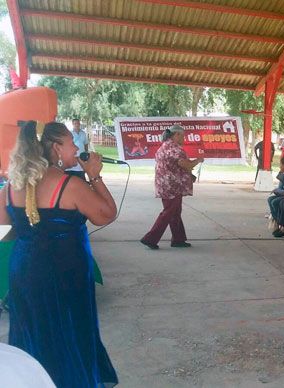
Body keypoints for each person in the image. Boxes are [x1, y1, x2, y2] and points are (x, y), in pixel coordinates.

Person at [0, 121, 118, 387]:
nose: (76, 147)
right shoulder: (69, 185)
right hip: (65, 270)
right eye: (71, 142)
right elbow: (107, 214)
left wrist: (32, 233)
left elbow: (5, 230)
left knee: (31, 327)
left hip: (24, 270)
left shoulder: (11, 187)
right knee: (70, 329)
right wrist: (94, 175)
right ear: (55, 148)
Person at [141, 125, 203, 249]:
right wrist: (198, 160)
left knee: (175, 212)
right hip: (172, 186)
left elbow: (173, 166)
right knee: (169, 212)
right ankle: (150, 239)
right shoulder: (175, 149)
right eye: (183, 136)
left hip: (165, 184)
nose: (184, 139)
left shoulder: (164, 146)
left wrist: (189, 175)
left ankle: (178, 239)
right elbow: (185, 165)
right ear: (177, 135)